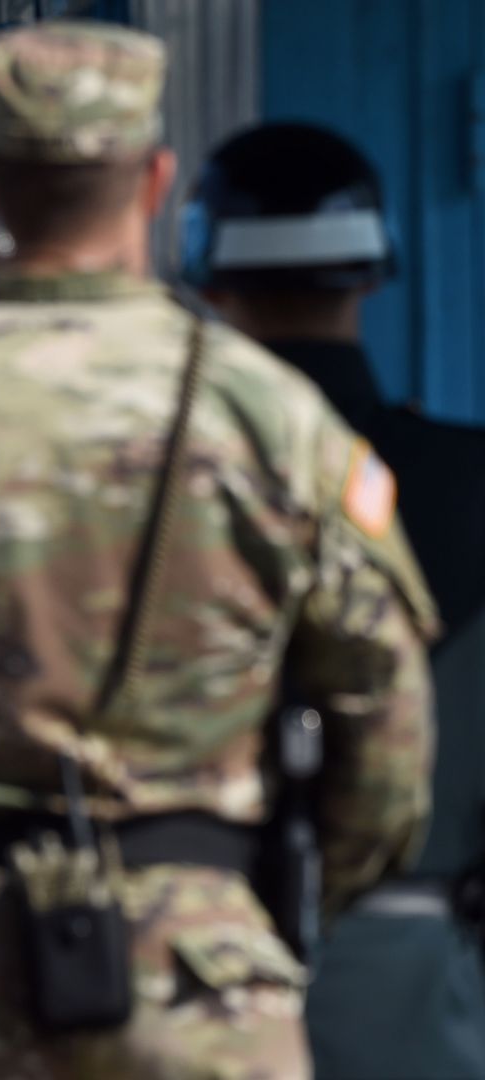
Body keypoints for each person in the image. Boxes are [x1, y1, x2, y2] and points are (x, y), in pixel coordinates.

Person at [0, 22, 438, 1079]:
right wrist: (258, 917)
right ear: (156, 181)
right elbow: (387, 718)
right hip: (207, 990)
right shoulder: (272, 416)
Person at [184, 120, 485, 1079]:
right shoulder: (471, 483)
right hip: (431, 973)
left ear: (205, 273)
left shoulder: (136, 498)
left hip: (181, 973)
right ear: (374, 272)